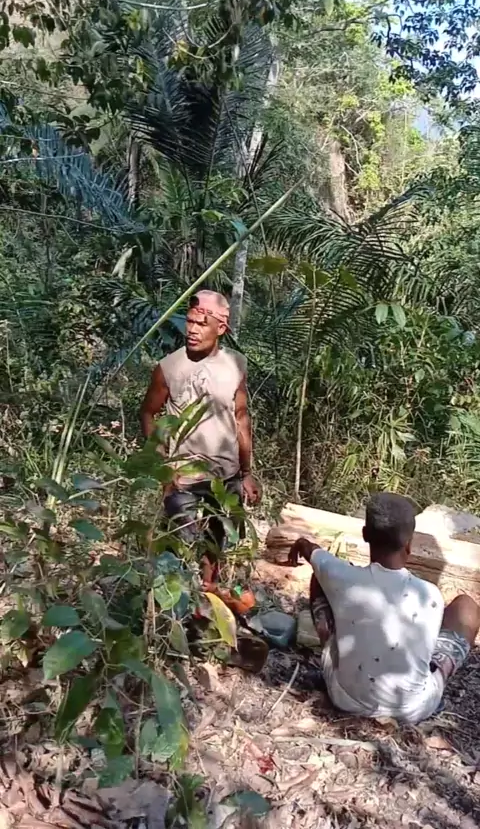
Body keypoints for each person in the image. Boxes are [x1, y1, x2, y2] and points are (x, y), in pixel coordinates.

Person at [288, 492, 480, 723]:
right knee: (466, 606)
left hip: (345, 697)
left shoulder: (340, 575)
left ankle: (329, 642)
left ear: (364, 534)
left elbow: (312, 552)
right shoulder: (429, 595)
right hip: (413, 709)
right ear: (409, 544)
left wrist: (301, 543)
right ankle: (437, 673)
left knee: (320, 576)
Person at [140, 290, 261, 578]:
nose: (192, 330)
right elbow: (147, 413)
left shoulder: (236, 365)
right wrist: (163, 466)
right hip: (182, 477)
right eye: (190, 322)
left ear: (221, 328)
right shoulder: (169, 368)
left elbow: (241, 417)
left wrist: (246, 473)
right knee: (176, 551)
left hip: (225, 476)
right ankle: (172, 603)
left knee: (215, 546)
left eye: (201, 324)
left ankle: (208, 594)